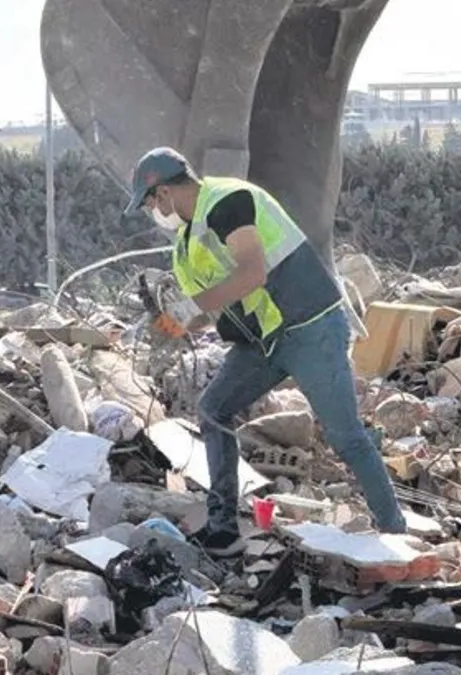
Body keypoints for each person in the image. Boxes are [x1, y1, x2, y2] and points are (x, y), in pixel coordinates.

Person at [125, 147, 406, 556]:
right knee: (213, 409)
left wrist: (191, 307)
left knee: (346, 438)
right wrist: (174, 323)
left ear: (164, 192)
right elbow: (213, 304)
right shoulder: (185, 244)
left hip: (310, 326)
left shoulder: (227, 201)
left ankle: (395, 533)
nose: (153, 211)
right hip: (265, 339)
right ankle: (222, 525)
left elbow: (252, 272)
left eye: (150, 201)